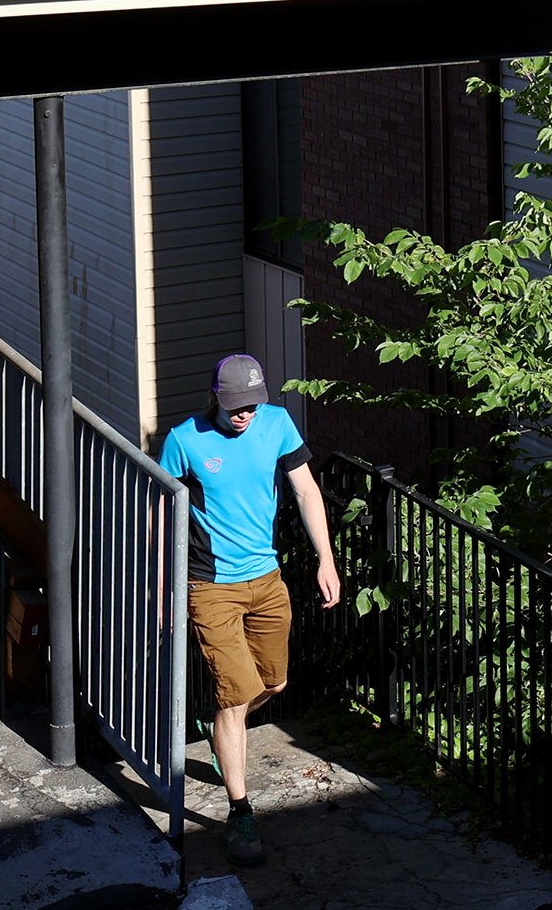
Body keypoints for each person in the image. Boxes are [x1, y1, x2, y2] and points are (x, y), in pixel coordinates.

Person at [155, 354, 339, 869]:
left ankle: (216, 725)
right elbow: (162, 514)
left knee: (272, 685)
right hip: (209, 584)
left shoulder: (277, 424)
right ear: (215, 397)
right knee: (236, 700)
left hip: (267, 578)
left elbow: (305, 489)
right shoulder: (185, 440)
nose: (245, 416)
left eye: (252, 406)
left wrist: (326, 560)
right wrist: (162, 587)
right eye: (236, 407)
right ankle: (240, 811)